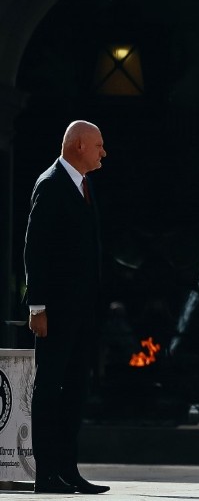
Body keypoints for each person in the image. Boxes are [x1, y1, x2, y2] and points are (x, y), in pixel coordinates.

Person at [24, 120, 110, 494]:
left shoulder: (84, 185)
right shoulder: (51, 184)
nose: (103, 152)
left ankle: (68, 471)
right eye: (98, 145)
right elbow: (35, 247)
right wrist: (37, 305)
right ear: (78, 146)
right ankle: (46, 474)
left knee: (75, 388)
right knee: (50, 388)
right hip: (56, 310)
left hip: (81, 311)